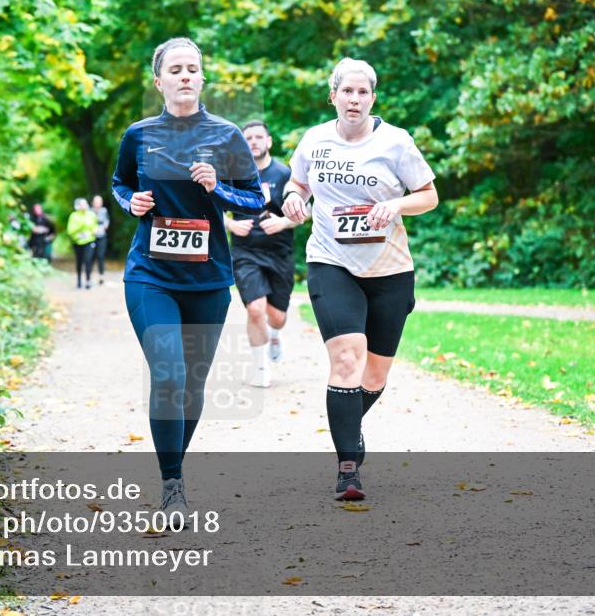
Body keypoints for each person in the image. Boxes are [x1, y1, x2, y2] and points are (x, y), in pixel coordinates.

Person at [111, 37, 265, 521]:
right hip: (150, 274)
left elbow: (255, 200)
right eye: (174, 69)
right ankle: (172, 482)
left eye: (192, 68)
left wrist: (217, 187)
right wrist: (129, 202)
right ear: (159, 81)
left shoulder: (226, 136)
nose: (184, 75)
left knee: (193, 384)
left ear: (201, 78)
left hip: (208, 279)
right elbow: (120, 183)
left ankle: (175, 467)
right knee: (169, 373)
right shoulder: (138, 133)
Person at [281, 58, 438, 500]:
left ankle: (349, 423)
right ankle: (348, 470)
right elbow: (297, 185)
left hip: (389, 271)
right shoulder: (315, 140)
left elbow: (429, 195)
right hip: (331, 262)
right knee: (347, 361)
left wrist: (397, 206)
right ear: (333, 96)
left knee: (372, 376)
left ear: (373, 97)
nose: (354, 100)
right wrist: (293, 200)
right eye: (346, 92)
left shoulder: (396, 142)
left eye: (363, 92)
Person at [225, 121, 297, 388]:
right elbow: (212, 208)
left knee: (276, 316)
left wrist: (284, 222)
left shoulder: (285, 173)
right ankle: (260, 368)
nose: (253, 141)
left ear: (268, 142)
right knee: (255, 309)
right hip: (245, 252)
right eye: (248, 138)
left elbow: (307, 211)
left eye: (258, 137)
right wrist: (231, 224)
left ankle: (275, 334)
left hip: (279, 252)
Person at [67, 197, 98, 289]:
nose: (84, 206)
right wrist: (81, 225)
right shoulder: (73, 216)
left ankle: (88, 281)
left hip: (89, 241)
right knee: (79, 262)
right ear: (78, 206)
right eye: (82, 204)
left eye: (85, 204)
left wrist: (92, 231)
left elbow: (95, 227)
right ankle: (79, 280)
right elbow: (70, 231)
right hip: (77, 242)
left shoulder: (91, 215)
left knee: (88, 261)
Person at [91, 195, 110, 285]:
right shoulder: (89, 211)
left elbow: (107, 220)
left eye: (100, 202)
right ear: (93, 202)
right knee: (91, 256)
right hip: (91, 237)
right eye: (97, 202)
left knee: (101, 256)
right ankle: (89, 276)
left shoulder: (104, 210)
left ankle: (101, 276)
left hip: (102, 236)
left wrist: (105, 226)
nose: (98, 203)